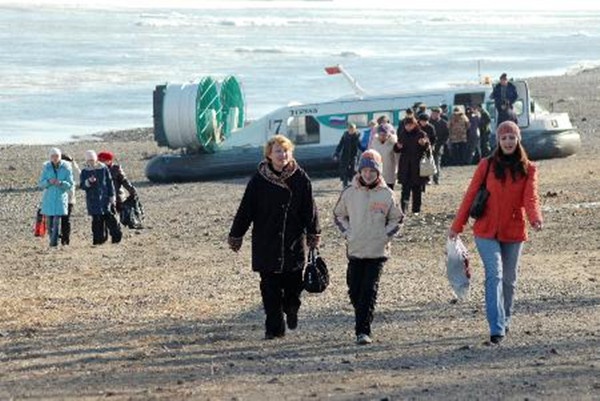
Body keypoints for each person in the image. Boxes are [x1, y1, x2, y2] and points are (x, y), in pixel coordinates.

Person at [448, 121, 543, 345]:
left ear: (518, 140)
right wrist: (457, 226)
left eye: (512, 138)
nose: (508, 142)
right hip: (485, 230)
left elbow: (531, 197)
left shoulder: (529, 168)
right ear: (498, 141)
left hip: (514, 231)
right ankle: (496, 327)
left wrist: (535, 218)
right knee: (495, 274)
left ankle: (505, 318)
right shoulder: (487, 165)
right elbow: (470, 195)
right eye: (504, 138)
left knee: (509, 280)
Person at [228, 135, 321, 340]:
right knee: (270, 289)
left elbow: (310, 209)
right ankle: (274, 329)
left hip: (292, 242)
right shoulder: (258, 180)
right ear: (269, 155)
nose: (282, 154)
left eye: (285, 150)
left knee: (293, 286)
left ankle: (292, 308)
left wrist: (313, 233)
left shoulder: (300, 178)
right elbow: (246, 209)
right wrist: (236, 235)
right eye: (278, 151)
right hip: (266, 243)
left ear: (291, 153)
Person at [333, 149, 403, 345]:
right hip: (355, 250)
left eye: (372, 171)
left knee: (369, 290)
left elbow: (397, 218)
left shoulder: (387, 194)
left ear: (378, 172)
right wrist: (348, 232)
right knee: (354, 289)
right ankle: (362, 313)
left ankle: (363, 330)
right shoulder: (349, 192)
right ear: (359, 171)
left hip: (377, 252)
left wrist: (385, 235)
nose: (368, 174)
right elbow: (338, 215)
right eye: (365, 170)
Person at [80, 150, 122, 245]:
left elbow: (109, 183)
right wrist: (88, 182)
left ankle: (116, 238)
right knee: (97, 221)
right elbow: (82, 186)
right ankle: (98, 241)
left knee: (111, 219)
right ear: (86, 161)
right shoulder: (84, 171)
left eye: (92, 159)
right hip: (92, 200)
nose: (91, 162)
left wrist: (112, 196)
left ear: (96, 159)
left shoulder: (103, 168)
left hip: (105, 199)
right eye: (89, 160)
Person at [38, 148, 74, 247]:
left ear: (60, 156)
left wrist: (61, 183)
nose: (55, 158)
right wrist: (48, 182)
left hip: (60, 198)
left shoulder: (66, 168)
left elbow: (70, 184)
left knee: (57, 222)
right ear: (50, 157)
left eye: (57, 156)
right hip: (49, 199)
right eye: (52, 156)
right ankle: (52, 240)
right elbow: (41, 184)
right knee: (49, 224)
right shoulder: (47, 168)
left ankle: (54, 243)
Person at [395, 116, 430, 215]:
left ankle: (416, 210)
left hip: (417, 165)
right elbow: (397, 149)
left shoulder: (421, 134)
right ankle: (403, 209)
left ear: (415, 124)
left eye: (410, 125)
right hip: (405, 165)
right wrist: (397, 147)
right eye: (406, 125)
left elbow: (428, 148)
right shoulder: (402, 134)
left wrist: (424, 144)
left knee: (417, 189)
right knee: (405, 189)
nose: (408, 127)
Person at [97, 151, 140, 228]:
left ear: (109, 160)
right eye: (99, 160)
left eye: (103, 160)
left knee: (115, 213)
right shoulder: (98, 170)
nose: (101, 162)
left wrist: (132, 191)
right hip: (102, 197)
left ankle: (117, 228)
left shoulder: (116, 169)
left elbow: (124, 181)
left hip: (117, 196)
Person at [369, 123, 399, 190]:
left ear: (388, 134)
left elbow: (398, 158)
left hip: (389, 172)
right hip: (377, 172)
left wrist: (398, 171)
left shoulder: (393, 143)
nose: (382, 136)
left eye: (385, 134)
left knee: (389, 191)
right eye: (380, 134)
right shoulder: (374, 142)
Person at [59, 153, 80, 245]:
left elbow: (79, 177)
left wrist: (73, 162)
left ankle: (65, 238)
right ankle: (63, 237)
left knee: (65, 219)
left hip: (68, 199)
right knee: (62, 219)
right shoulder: (56, 168)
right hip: (59, 198)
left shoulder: (72, 169)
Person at [333, 123, 361, 188]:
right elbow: (340, 145)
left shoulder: (357, 136)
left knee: (353, 171)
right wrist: (336, 153)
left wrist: (365, 151)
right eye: (350, 129)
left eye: (353, 129)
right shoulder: (345, 136)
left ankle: (352, 183)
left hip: (353, 156)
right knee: (345, 171)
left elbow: (360, 146)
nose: (351, 131)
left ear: (355, 129)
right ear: (348, 129)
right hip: (345, 156)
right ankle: (345, 185)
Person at [429, 106, 449, 184]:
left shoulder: (443, 123)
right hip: (428, 145)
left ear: (439, 114)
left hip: (438, 146)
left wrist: (441, 143)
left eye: (435, 113)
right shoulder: (428, 122)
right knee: (427, 163)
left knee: (436, 162)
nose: (434, 115)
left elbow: (446, 135)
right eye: (433, 113)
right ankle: (427, 179)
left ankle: (436, 178)